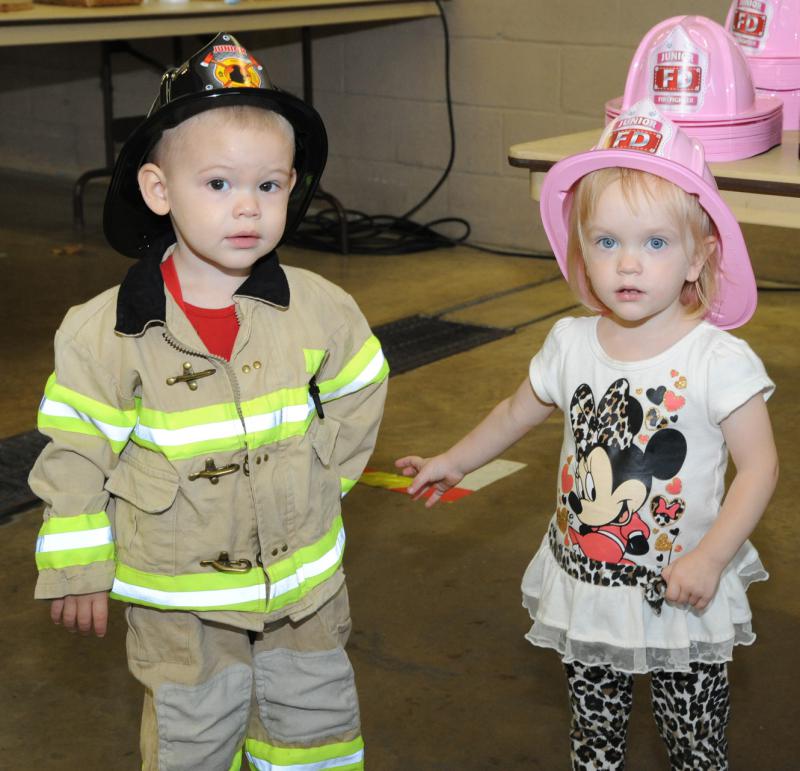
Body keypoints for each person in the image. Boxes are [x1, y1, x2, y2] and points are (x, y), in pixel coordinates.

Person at [30, 33, 388, 771]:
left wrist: (322, 474)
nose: (248, 208)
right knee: (193, 733)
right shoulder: (107, 332)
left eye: (270, 185)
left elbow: (361, 385)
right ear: (160, 190)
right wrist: (77, 564)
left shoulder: (321, 307)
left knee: (315, 726)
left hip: (304, 593)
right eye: (219, 184)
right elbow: (75, 448)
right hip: (178, 596)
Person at [396, 100, 778, 770]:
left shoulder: (718, 361)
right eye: (607, 242)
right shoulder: (569, 342)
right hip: (589, 583)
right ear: (582, 250)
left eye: (655, 243)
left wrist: (713, 557)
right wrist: (454, 459)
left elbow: (760, 468)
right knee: (593, 740)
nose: (628, 264)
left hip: (683, 591)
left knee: (693, 745)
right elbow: (517, 410)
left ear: (698, 257)